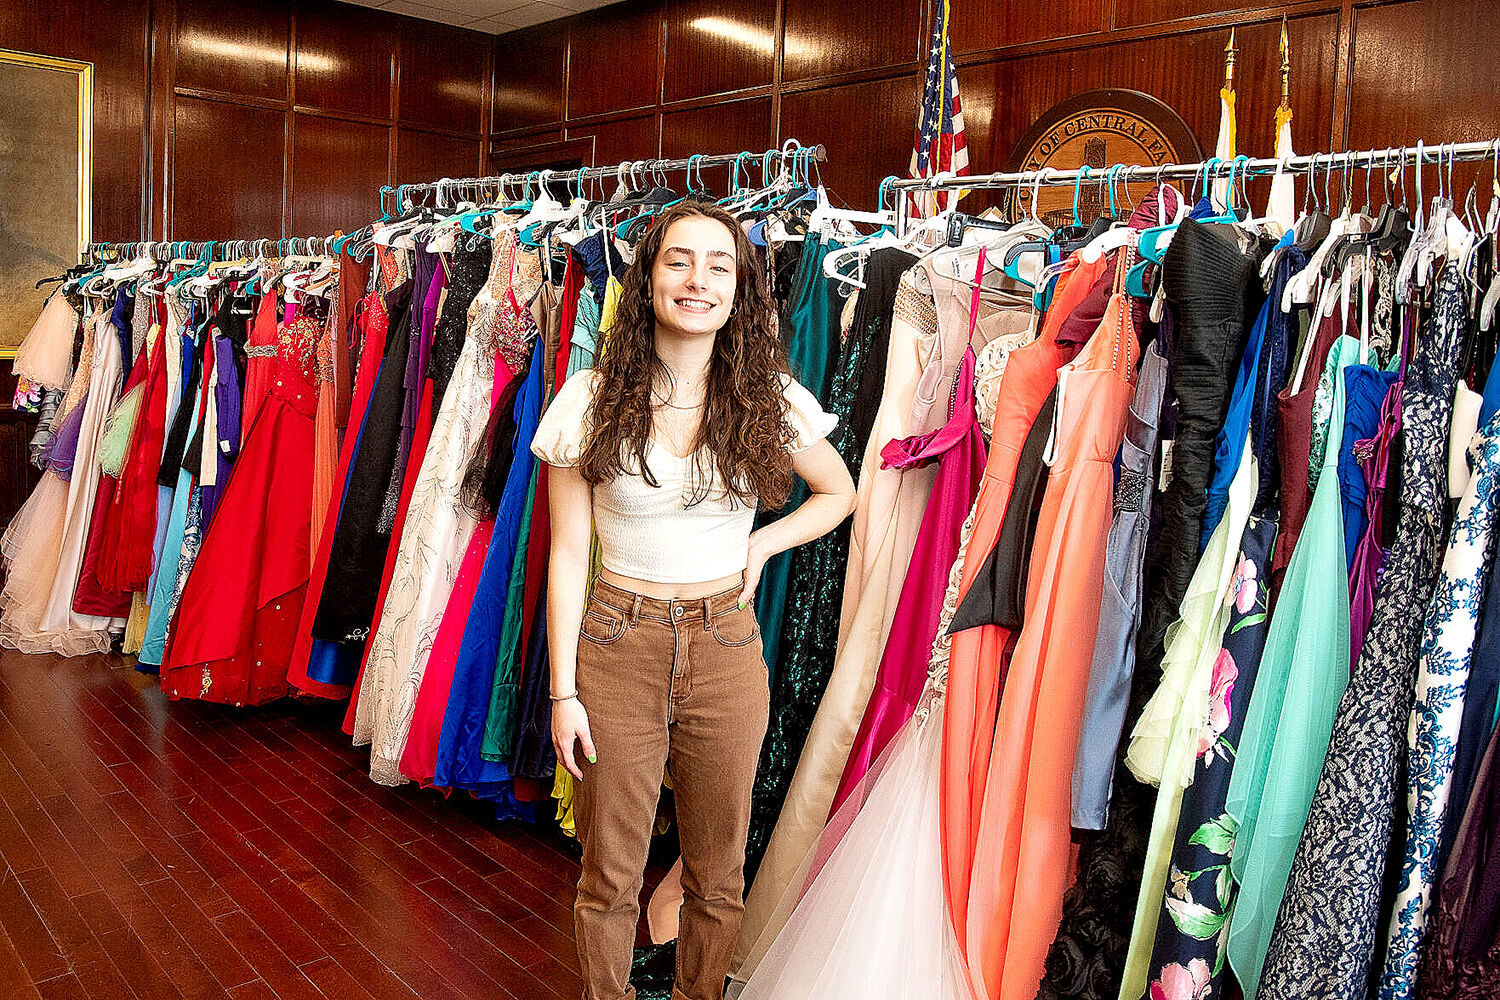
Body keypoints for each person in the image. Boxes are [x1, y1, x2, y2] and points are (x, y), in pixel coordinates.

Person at [531, 201, 857, 1000]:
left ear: (740, 287)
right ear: (647, 281)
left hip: (724, 645)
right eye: (679, 261)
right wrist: (562, 691)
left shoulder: (767, 398)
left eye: (719, 264)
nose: (697, 280)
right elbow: (568, 554)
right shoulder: (589, 396)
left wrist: (763, 543)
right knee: (610, 875)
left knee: (718, 875)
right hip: (616, 642)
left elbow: (839, 492)